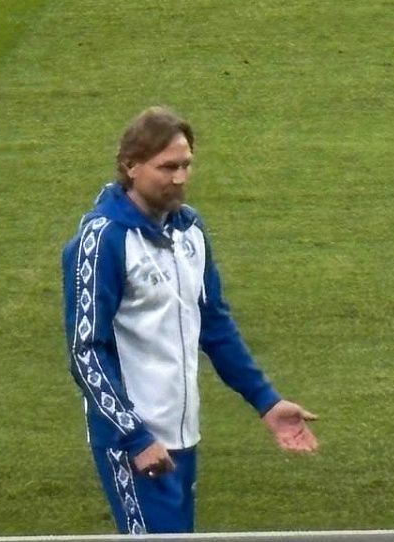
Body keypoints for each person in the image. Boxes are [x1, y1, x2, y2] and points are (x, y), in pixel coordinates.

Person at [61, 106, 318, 534]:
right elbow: (85, 350)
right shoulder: (103, 241)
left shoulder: (189, 231)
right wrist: (135, 437)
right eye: (167, 167)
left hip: (182, 435)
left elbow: (213, 323)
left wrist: (266, 401)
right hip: (134, 442)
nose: (180, 178)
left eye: (186, 165)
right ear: (131, 166)